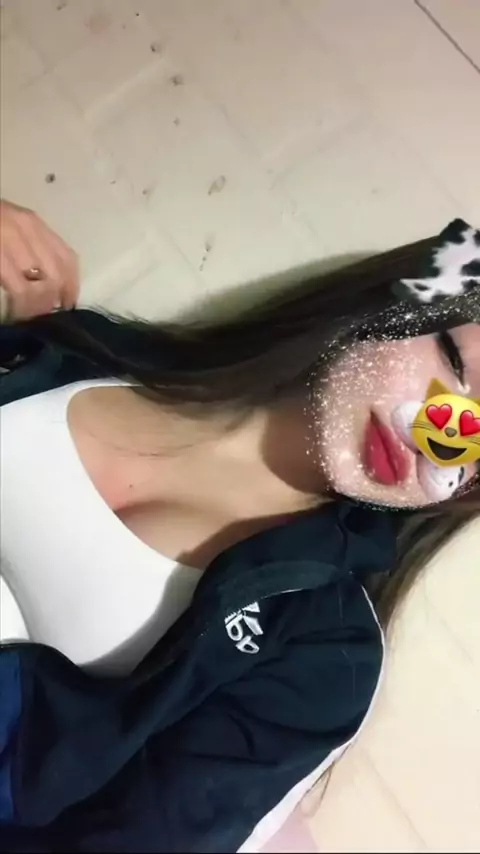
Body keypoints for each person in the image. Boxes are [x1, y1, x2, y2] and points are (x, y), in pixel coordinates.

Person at [0, 198, 479, 852]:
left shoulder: (322, 657)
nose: (439, 436)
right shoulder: (67, 349)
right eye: (454, 361)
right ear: (392, 298)